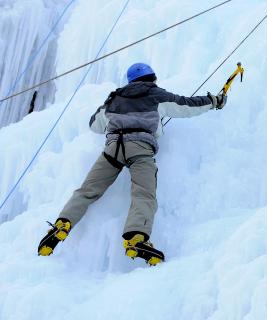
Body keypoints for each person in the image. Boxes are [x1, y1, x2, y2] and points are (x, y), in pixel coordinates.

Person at [37, 63, 226, 265]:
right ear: (152, 78)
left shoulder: (114, 98)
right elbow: (187, 105)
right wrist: (215, 100)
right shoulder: (156, 95)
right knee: (143, 194)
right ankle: (135, 238)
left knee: (87, 190)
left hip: (112, 149)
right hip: (140, 149)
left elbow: (94, 124)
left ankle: (62, 224)